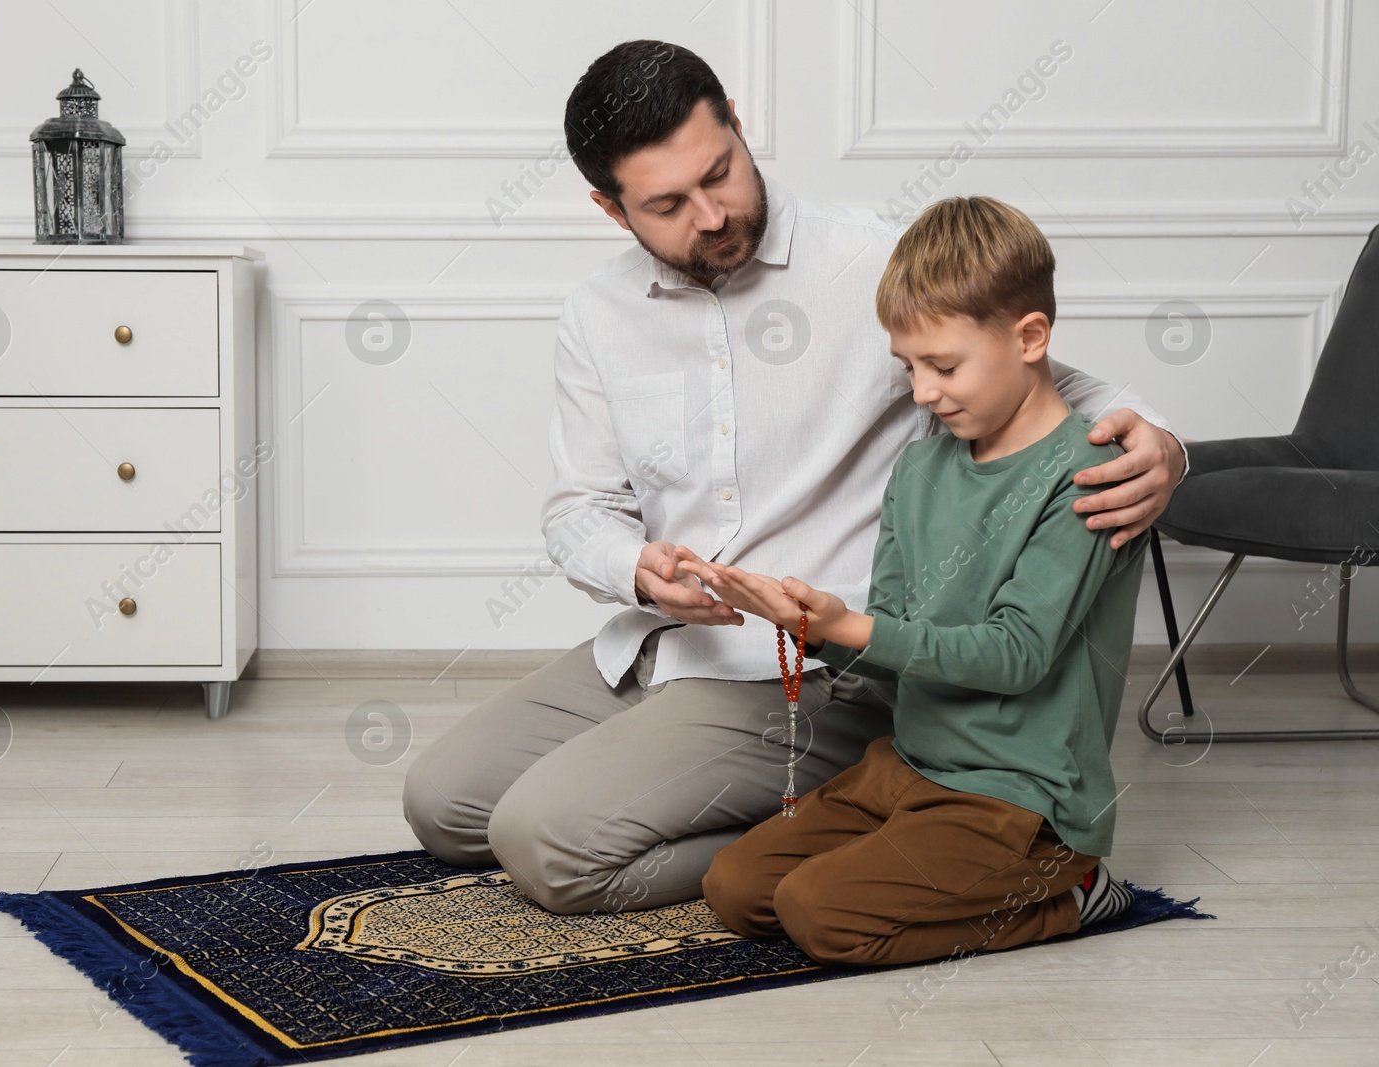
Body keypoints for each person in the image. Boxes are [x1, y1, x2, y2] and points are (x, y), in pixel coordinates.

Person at [401, 39, 1185, 916]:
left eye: (721, 172)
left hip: (815, 671)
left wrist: (1163, 443)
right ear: (610, 209)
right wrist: (634, 569)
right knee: (443, 804)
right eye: (666, 203)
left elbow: (1035, 375)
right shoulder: (597, 313)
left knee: (547, 848)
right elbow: (579, 508)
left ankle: (834, 827)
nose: (709, 214)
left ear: (737, 123)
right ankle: (738, 797)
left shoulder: (870, 262)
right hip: (660, 642)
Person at [689, 195, 1147, 966]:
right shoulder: (919, 467)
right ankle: (926, 855)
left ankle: (1072, 893)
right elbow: (896, 638)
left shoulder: (1085, 478)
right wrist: (803, 623)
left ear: (1030, 337)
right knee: (736, 886)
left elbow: (1016, 655)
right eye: (908, 367)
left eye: (943, 365)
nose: (923, 392)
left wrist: (845, 625)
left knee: (818, 914)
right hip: (908, 763)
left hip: (1019, 795)